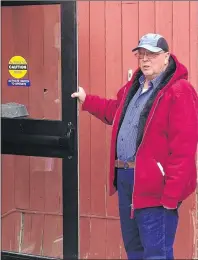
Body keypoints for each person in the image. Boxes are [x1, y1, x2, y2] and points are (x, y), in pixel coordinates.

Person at [71, 33, 198, 259]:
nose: (145, 59)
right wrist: (86, 99)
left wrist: (171, 195)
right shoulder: (135, 86)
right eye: (141, 54)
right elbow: (115, 112)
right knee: (135, 250)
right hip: (128, 180)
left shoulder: (179, 91)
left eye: (151, 54)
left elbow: (184, 150)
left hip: (155, 187)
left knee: (156, 253)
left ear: (167, 57)